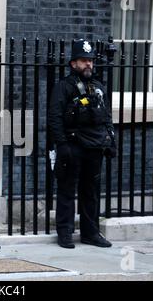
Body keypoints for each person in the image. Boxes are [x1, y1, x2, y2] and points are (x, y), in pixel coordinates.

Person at [48, 39, 116, 249]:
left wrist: (111, 140)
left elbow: (106, 116)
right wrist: (62, 145)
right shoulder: (64, 87)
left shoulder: (98, 87)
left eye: (90, 61)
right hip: (73, 145)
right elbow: (55, 118)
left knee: (91, 192)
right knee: (67, 190)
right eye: (84, 60)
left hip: (94, 147)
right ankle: (65, 233)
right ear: (73, 63)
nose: (88, 64)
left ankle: (90, 233)